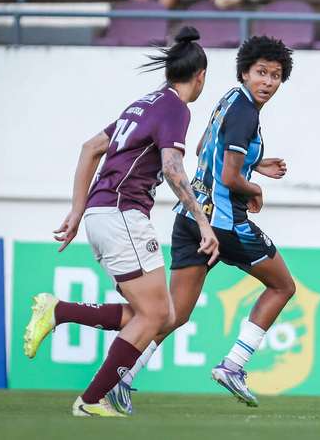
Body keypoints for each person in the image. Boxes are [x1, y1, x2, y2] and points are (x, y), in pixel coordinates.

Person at [23, 26, 219, 418]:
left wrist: (79, 210)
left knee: (155, 314)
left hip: (103, 212)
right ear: (200, 77)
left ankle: (59, 311)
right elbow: (172, 165)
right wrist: (203, 223)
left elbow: (90, 147)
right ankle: (91, 400)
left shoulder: (143, 103)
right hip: (122, 213)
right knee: (157, 315)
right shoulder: (176, 108)